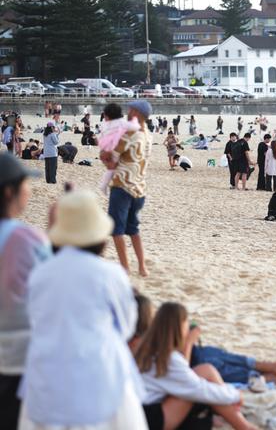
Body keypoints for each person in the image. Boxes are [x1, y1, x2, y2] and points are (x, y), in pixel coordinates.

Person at [20, 190, 147, 429]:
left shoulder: (40, 274)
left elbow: (34, 319)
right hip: (99, 368)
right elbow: (127, 325)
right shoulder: (110, 274)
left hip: (47, 369)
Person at [130, 294, 276, 387]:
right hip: (189, 368)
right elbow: (180, 372)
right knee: (212, 362)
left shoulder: (142, 337)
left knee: (213, 354)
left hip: (192, 360)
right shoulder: (138, 345)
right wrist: (189, 341)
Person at [134, 302, 255, 430]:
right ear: (180, 327)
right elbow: (200, 389)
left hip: (137, 413)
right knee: (202, 384)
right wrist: (235, 395)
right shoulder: (168, 359)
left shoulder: (146, 350)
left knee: (205, 370)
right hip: (148, 421)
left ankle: (241, 423)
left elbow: (184, 376)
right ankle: (244, 426)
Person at [0, 155, 49, 430]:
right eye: (25, 185)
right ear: (9, 192)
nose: (29, 192)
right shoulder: (27, 238)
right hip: (22, 354)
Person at [101, 100, 153, 277]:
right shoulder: (148, 134)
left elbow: (111, 157)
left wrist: (102, 153)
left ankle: (125, 267)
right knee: (133, 229)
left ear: (137, 113)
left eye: (131, 109)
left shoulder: (129, 134)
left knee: (116, 229)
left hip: (122, 185)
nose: (128, 112)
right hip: (140, 187)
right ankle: (142, 267)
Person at [98, 103, 142, 194]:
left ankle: (104, 185)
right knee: (113, 167)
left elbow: (102, 136)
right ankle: (104, 185)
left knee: (110, 168)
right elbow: (135, 127)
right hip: (115, 148)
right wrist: (134, 120)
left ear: (106, 116)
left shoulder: (104, 125)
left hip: (105, 148)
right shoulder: (122, 122)